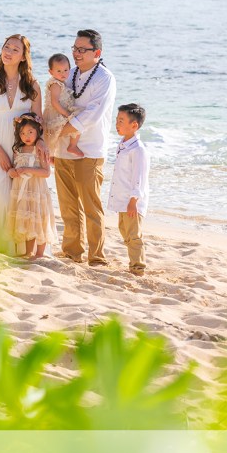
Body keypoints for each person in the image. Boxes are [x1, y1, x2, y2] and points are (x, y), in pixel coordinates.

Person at [53, 29, 117, 266]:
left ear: (96, 53)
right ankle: (72, 251)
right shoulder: (69, 74)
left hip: (89, 150)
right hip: (63, 150)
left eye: (82, 49)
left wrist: (59, 131)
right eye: (74, 49)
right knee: (68, 206)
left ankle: (97, 256)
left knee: (91, 207)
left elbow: (93, 114)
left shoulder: (104, 78)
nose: (76, 54)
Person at [0, 34, 45, 254]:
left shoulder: (32, 86)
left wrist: (41, 145)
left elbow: (38, 122)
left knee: (21, 196)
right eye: (6, 47)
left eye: (15, 49)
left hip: (23, 148)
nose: (8, 51)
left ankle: (20, 248)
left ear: (24, 57)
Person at [6, 113, 57, 259]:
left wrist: (27, 170)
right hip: (22, 190)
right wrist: (11, 171)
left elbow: (46, 172)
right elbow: (14, 167)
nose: (26, 136)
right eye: (22, 133)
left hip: (37, 190)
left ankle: (40, 253)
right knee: (28, 221)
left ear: (37, 131)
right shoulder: (18, 150)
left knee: (39, 219)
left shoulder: (39, 150)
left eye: (30, 132)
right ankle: (29, 252)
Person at [108, 103, 150, 276]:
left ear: (134, 125)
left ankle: (138, 267)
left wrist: (133, 201)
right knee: (125, 232)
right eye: (116, 120)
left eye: (121, 121)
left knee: (133, 236)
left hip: (132, 201)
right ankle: (134, 263)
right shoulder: (123, 145)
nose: (117, 124)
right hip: (122, 199)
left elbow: (139, 178)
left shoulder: (139, 150)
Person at [43, 53, 82, 158]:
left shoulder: (61, 82)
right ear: (51, 72)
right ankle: (72, 145)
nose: (63, 73)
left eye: (66, 70)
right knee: (77, 121)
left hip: (58, 112)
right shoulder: (56, 85)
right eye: (58, 71)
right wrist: (67, 114)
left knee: (53, 139)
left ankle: (51, 156)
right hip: (56, 114)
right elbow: (54, 102)